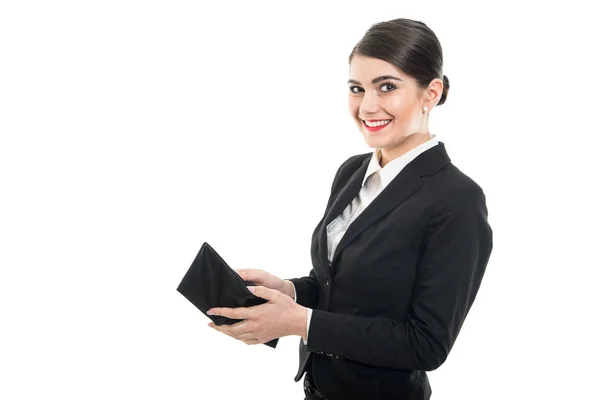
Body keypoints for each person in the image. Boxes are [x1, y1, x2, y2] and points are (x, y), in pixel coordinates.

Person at [206, 17, 493, 400]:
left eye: (387, 87)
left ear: (431, 93)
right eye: (357, 89)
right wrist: (291, 291)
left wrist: (302, 323)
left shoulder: (457, 199)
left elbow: (426, 345)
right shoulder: (352, 171)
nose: (367, 106)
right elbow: (343, 288)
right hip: (320, 390)